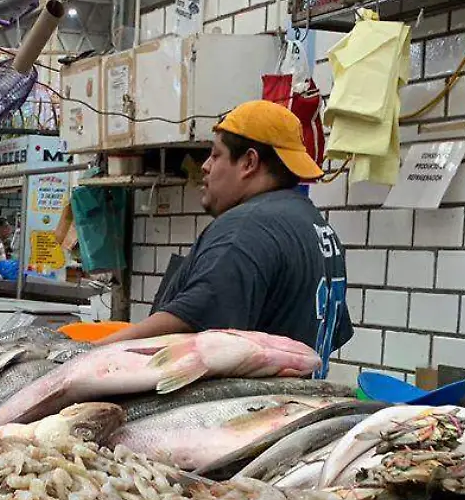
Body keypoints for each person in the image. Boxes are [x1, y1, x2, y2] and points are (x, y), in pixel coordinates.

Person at [100, 101, 352, 358]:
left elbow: (183, 326)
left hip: (248, 398)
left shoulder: (246, 229)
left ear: (249, 163)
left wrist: (83, 354)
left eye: (216, 154)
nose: (205, 166)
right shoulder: (319, 228)